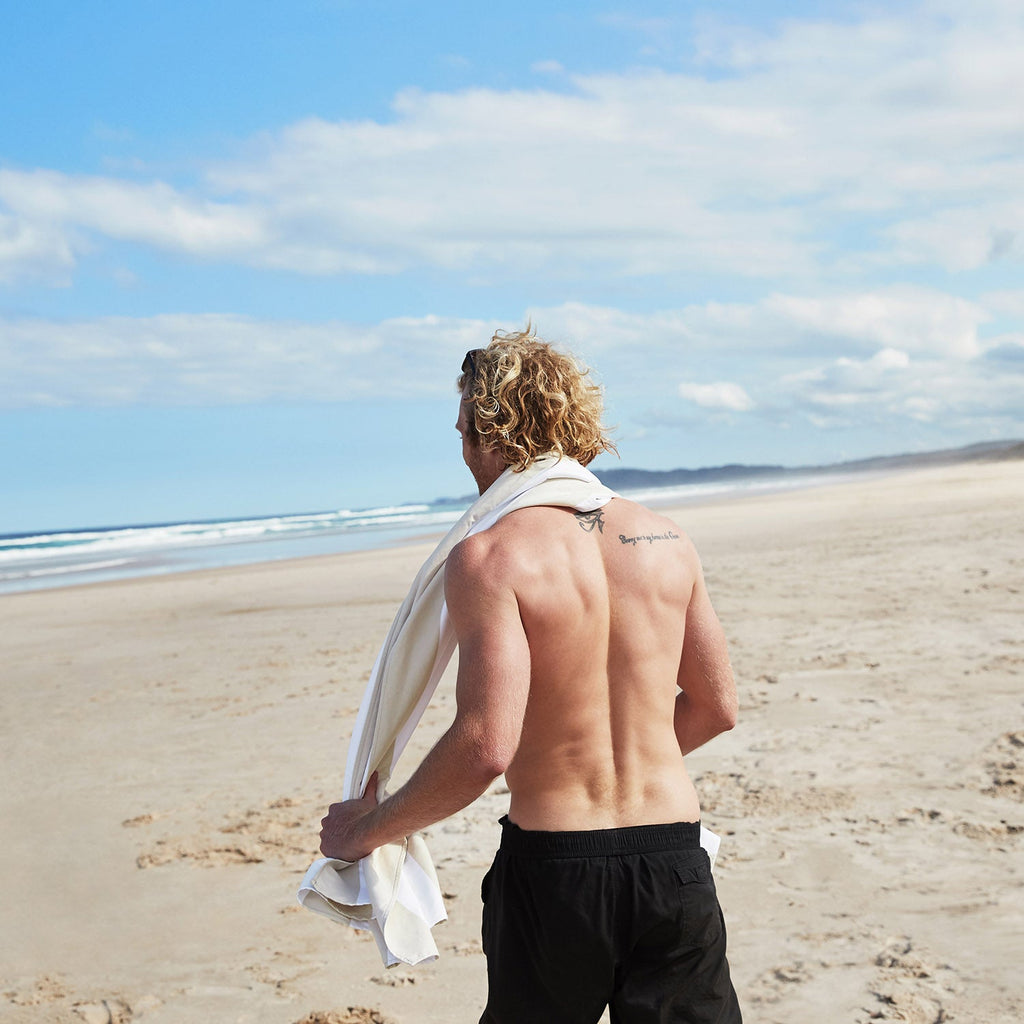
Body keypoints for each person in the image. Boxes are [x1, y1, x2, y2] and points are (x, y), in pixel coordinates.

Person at [319, 329, 742, 1023]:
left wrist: (367, 831)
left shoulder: (489, 556)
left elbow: (486, 746)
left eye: (463, 432)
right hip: (675, 859)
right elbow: (716, 706)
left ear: (494, 433)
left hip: (558, 871)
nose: (462, 453)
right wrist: (627, 766)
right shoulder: (667, 541)